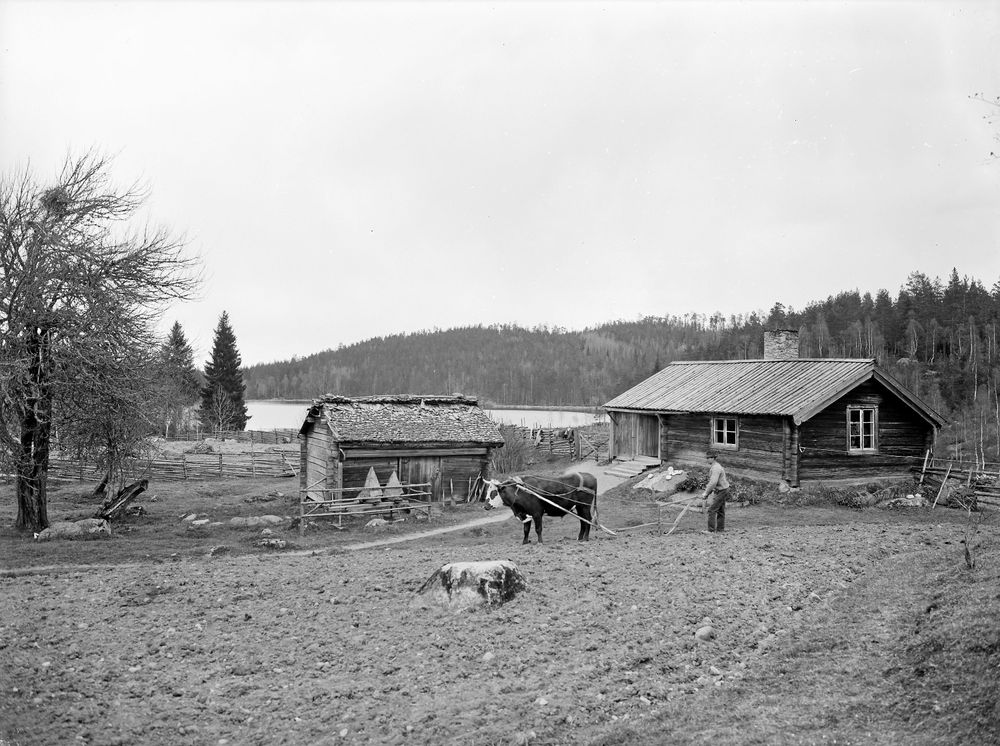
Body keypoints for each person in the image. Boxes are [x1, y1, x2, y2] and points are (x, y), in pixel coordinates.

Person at [701, 452, 730, 532]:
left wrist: (706, 493)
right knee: (720, 510)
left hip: (722, 490)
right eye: (707, 458)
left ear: (713, 458)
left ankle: (710, 530)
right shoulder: (715, 466)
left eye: (709, 458)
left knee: (712, 510)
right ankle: (720, 529)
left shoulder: (716, 468)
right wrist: (708, 492)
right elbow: (714, 483)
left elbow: (713, 482)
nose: (707, 460)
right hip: (723, 489)